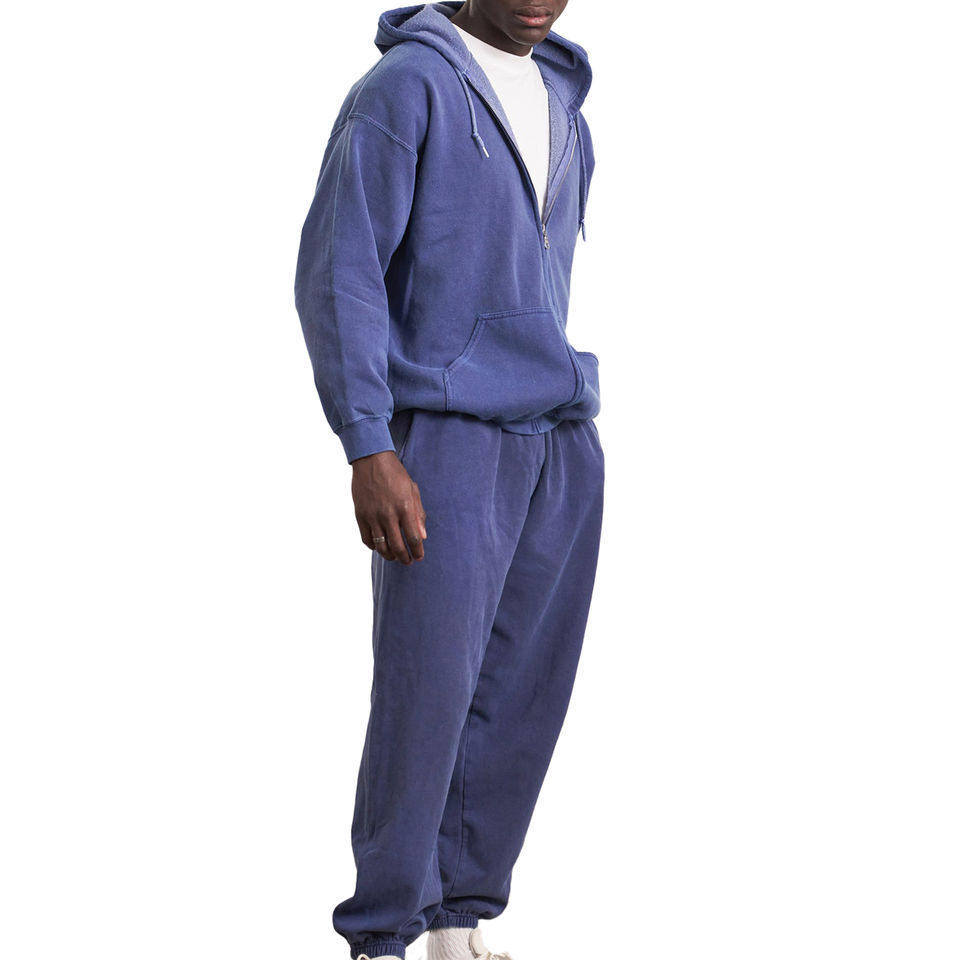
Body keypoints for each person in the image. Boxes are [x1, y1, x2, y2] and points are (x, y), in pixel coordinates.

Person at [294, 2, 603, 958]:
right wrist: (369, 444)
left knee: (519, 697)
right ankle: (381, 936)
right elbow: (340, 271)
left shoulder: (563, 100)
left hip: (558, 437)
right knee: (426, 696)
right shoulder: (406, 88)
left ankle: (457, 925)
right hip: (446, 437)